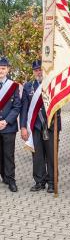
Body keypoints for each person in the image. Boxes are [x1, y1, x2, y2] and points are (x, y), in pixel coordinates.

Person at [20, 60, 60, 194]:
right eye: (36, 70)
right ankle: (39, 181)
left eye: (41, 69)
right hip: (35, 126)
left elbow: (58, 105)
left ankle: (52, 182)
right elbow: (24, 109)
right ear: (33, 72)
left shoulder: (52, 85)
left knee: (51, 155)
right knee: (37, 155)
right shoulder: (28, 87)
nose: (39, 72)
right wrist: (23, 127)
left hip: (50, 125)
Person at [0, 57, 21, 192]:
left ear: (7, 70)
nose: (1, 71)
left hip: (9, 126)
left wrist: (5, 121)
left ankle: (10, 179)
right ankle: (4, 176)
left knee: (9, 154)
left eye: (3, 68)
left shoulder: (14, 86)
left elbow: (17, 106)